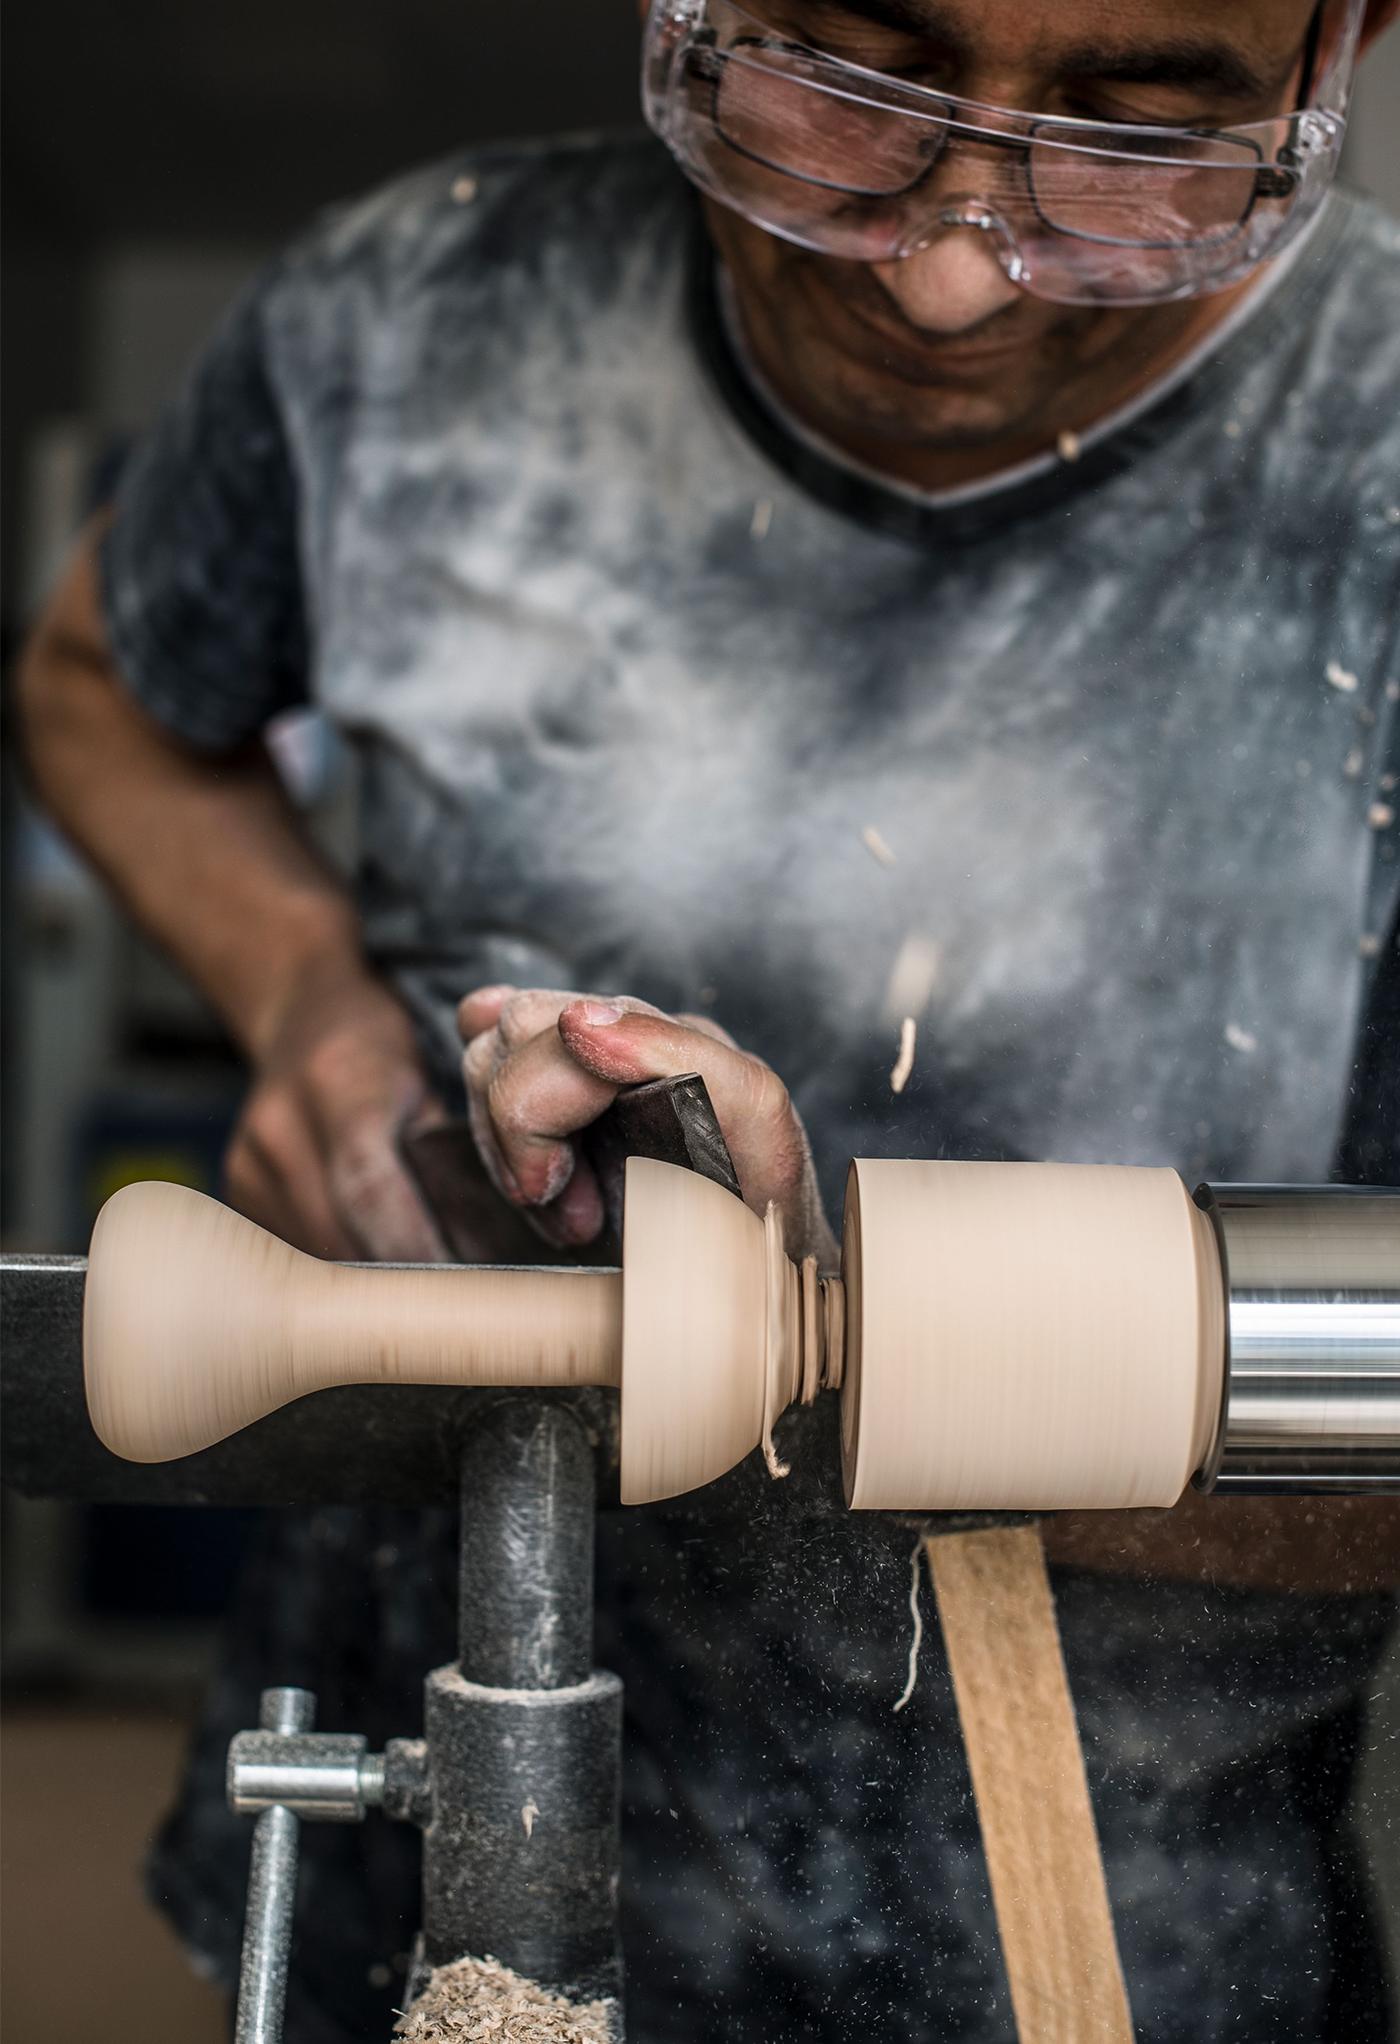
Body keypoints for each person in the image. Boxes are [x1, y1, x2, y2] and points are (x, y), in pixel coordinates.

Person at [18, 0, 1400, 2035]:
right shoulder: (407, 316)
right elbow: (102, 685)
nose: (946, 269)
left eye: (1135, 134)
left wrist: (849, 1347)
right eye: (844, 82)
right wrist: (306, 997)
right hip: (419, 1868)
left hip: (1115, 1928)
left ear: (1333, 45)